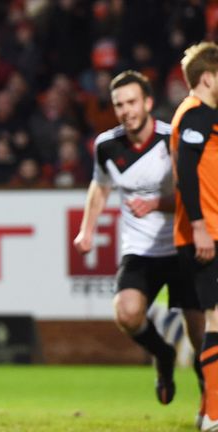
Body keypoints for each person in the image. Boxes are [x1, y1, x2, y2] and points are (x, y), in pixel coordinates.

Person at [73, 70, 204, 408]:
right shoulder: (107, 145)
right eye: (119, 104)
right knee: (127, 314)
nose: (126, 110)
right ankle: (163, 355)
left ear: (147, 102)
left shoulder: (171, 138)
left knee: (200, 330)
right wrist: (87, 229)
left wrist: (158, 203)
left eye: (132, 102)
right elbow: (100, 186)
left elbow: (194, 192)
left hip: (180, 245)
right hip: (140, 251)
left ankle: (209, 398)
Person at [171, 41, 218, 432]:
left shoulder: (198, 115)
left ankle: (207, 410)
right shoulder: (197, 114)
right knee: (216, 319)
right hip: (206, 232)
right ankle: (215, 415)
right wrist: (201, 226)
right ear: (207, 77)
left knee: (213, 319)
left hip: (206, 230)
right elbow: (185, 173)